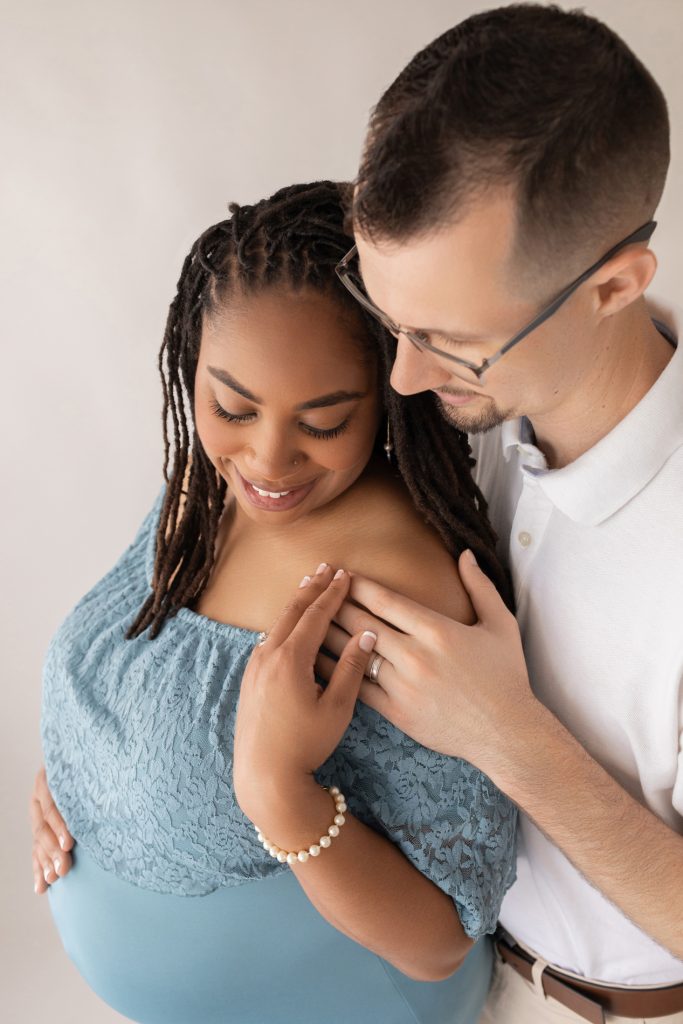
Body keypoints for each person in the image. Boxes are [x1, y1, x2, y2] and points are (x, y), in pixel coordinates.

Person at [32, 180, 517, 1024]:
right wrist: (80, 775)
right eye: (232, 405)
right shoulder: (205, 489)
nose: (268, 458)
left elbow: (439, 943)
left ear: (389, 393)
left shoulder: (395, 591)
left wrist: (279, 791)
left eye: (322, 422)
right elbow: (150, 680)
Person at [311, 5, 683, 1023]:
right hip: (447, 980)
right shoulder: (448, 412)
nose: (401, 371)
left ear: (613, 284)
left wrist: (506, 736)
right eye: (388, 317)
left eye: (450, 342)